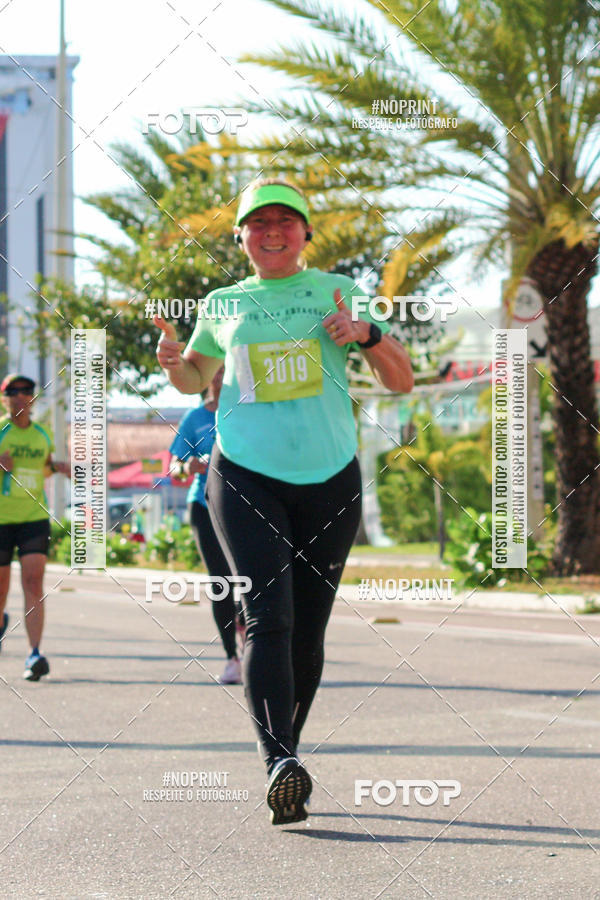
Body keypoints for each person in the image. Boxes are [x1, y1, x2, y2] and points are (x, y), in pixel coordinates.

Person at [154, 178, 413, 825]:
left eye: (285, 221)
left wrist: (366, 332)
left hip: (329, 476)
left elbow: (400, 379)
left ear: (305, 234)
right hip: (244, 474)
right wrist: (171, 364)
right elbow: (195, 375)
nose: (271, 231)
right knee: (268, 614)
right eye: (257, 222)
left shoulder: (338, 291)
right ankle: (278, 763)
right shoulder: (222, 302)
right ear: (240, 236)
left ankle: (287, 758)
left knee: (309, 630)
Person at [169, 366, 244, 685]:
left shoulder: (246, 412)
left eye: (224, 372)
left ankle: (249, 633)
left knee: (249, 579)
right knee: (220, 583)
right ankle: (232, 658)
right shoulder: (194, 419)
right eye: (213, 373)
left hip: (244, 506)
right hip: (204, 505)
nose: (218, 378)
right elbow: (173, 468)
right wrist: (188, 465)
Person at [0, 374, 70, 680]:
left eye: (25, 391)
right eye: (12, 392)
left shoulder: (42, 435)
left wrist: (58, 468)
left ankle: (34, 654)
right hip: (1, 519)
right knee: (1, 588)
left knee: (33, 582)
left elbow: (43, 467)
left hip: (33, 517)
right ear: (4, 399)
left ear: (31, 398)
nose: (19, 396)